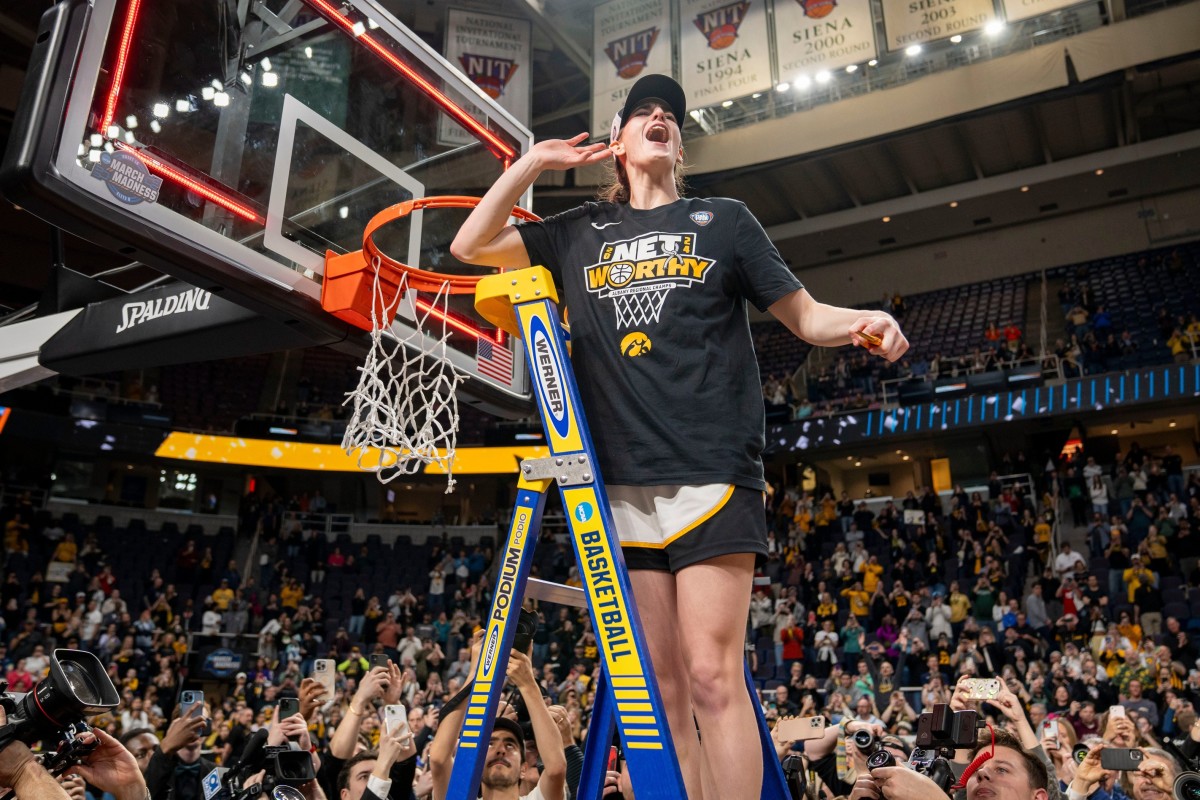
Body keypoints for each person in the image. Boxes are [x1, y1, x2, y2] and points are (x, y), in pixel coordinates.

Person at [451, 73, 908, 800]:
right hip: (618, 483)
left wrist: (860, 321)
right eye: (643, 113)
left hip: (711, 468)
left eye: (670, 115)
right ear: (618, 141)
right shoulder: (574, 234)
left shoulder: (724, 220)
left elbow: (805, 314)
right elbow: (470, 243)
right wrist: (535, 164)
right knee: (660, 692)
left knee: (712, 677)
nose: (660, 118)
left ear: (679, 144)